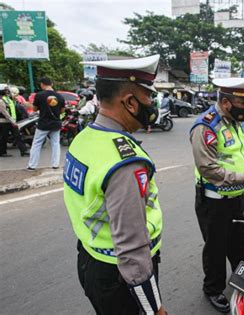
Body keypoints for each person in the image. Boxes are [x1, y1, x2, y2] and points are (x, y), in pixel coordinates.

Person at [63, 54, 166, 315]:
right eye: (149, 97)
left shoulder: (85, 138)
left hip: (90, 258)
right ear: (130, 102)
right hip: (120, 276)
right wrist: (154, 308)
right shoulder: (126, 163)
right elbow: (132, 248)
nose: (152, 104)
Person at [190, 76, 244, 313]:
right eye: (242, 103)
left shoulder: (235, 121)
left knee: (239, 243)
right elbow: (208, 169)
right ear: (226, 103)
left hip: (236, 196)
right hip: (214, 200)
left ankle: (243, 278)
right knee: (215, 247)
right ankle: (213, 288)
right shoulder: (206, 126)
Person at [27, 77, 65, 170]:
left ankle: (32, 166)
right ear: (51, 84)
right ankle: (55, 165)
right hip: (56, 123)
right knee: (55, 144)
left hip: (43, 123)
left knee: (37, 143)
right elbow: (62, 110)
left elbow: (35, 109)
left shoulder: (39, 95)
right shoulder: (60, 96)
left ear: (42, 84)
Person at [0, 87, 29, 157]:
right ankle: (2, 152)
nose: (8, 92)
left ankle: (23, 151)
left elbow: (13, 110)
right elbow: (5, 113)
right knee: (4, 138)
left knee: (18, 136)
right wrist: (13, 121)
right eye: (6, 91)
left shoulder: (9, 100)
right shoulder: (1, 101)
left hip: (11, 121)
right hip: (4, 122)